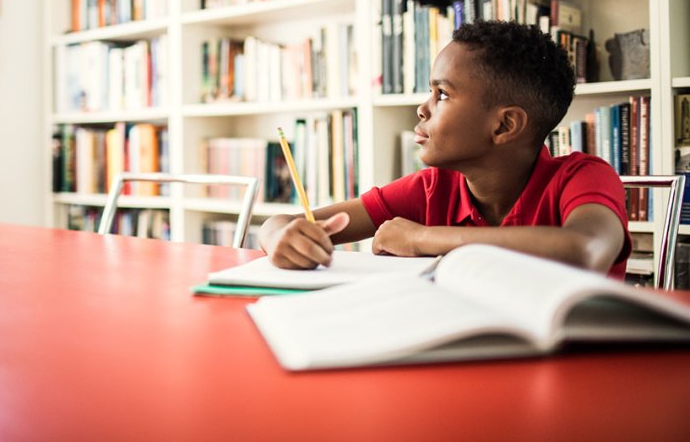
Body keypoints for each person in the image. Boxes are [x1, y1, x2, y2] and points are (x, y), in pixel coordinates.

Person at [259, 20, 631, 279]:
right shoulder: (432, 188)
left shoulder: (582, 176)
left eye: (443, 94)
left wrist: (420, 238)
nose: (422, 108)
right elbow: (283, 225)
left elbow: (584, 251)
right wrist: (281, 237)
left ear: (503, 125)